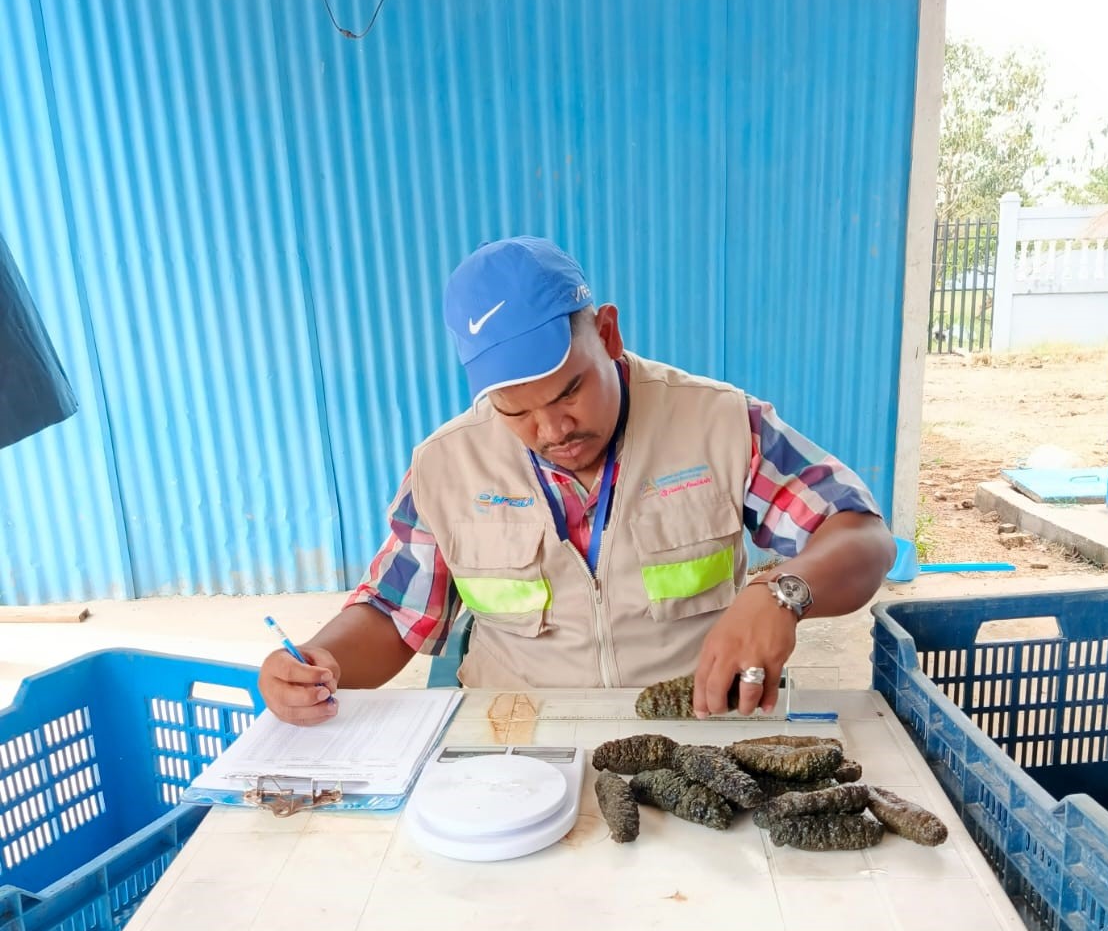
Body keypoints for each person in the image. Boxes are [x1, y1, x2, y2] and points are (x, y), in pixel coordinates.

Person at [259, 236, 894, 724]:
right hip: (515, 743)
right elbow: (393, 614)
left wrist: (783, 592)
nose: (553, 428)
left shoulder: (719, 424)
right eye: (516, 411)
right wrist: (322, 663)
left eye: (570, 390)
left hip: (698, 734)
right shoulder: (447, 466)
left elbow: (864, 538)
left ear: (608, 335)